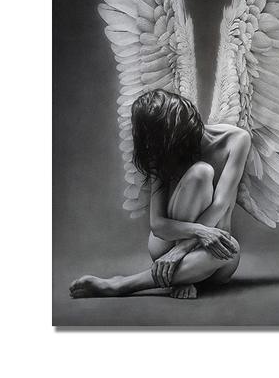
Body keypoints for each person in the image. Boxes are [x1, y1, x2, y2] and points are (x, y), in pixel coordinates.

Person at [69, 89, 251, 299]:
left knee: (230, 248)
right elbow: (157, 224)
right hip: (166, 245)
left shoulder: (236, 139)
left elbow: (221, 204)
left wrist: (180, 251)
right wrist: (196, 234)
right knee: (200, 173)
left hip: (211, 249)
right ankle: (182, 276)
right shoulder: (160, 150)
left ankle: (122, 284)